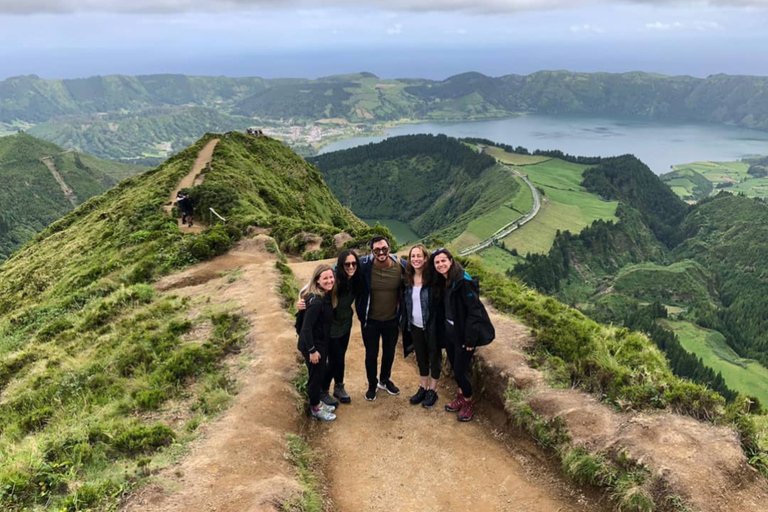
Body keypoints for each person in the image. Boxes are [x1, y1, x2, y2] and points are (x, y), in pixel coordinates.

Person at [431, 248, 495, 422]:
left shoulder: (463, 281)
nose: (440, 264)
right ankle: (461, 396)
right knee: (455, 366)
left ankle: (468, 402)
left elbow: (474, 312)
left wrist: (470, 339)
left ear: (451, 260)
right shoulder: (443, 281)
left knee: (459, 372)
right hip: (450, 332)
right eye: (437, 262)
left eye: (443, 261)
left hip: (463, 335)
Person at [298, 250, 363, 406]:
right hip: (331, 327)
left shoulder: (356, 278)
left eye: (354, 263)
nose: (351, 266)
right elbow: (309, 287)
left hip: (345, 324)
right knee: (335, 360)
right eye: (347, 264)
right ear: (340, 265)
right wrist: (300, 301)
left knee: (340, 358)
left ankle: (339, 387)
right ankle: (323, 390)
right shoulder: (334, 278)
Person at [356, 235, 408, 401]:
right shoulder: (364, 266)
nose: (381, 252)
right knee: (371, 354)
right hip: (370, 321)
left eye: (384, 248)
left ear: (389, 248)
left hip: (391, 320)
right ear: (372, 251)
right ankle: (372, 384)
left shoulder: (400, 267)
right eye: (377, 249)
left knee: (389, 352)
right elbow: (340, 270)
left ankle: (384, 380)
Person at [297, 264, 338, 421]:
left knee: (319, 373)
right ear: (317, 280)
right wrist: (312, 351)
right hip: (312, 345)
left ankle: (317, 403)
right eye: (325, 278)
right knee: (315, 377)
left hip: (319, 342)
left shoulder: (324, 295)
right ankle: (315, 408)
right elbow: (306, 328)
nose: (329, 280)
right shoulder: (316, 301)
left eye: (331, 277)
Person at [403, 244, 442, 408]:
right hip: (415, 325)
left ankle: (433, 389)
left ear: (426, 258)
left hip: (432, 326)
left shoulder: (433, 279)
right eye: (413, 256)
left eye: (419, 256)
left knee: (434, 356)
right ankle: (423, 386)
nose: (416, 259)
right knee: (421, 357)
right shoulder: (408, 279)